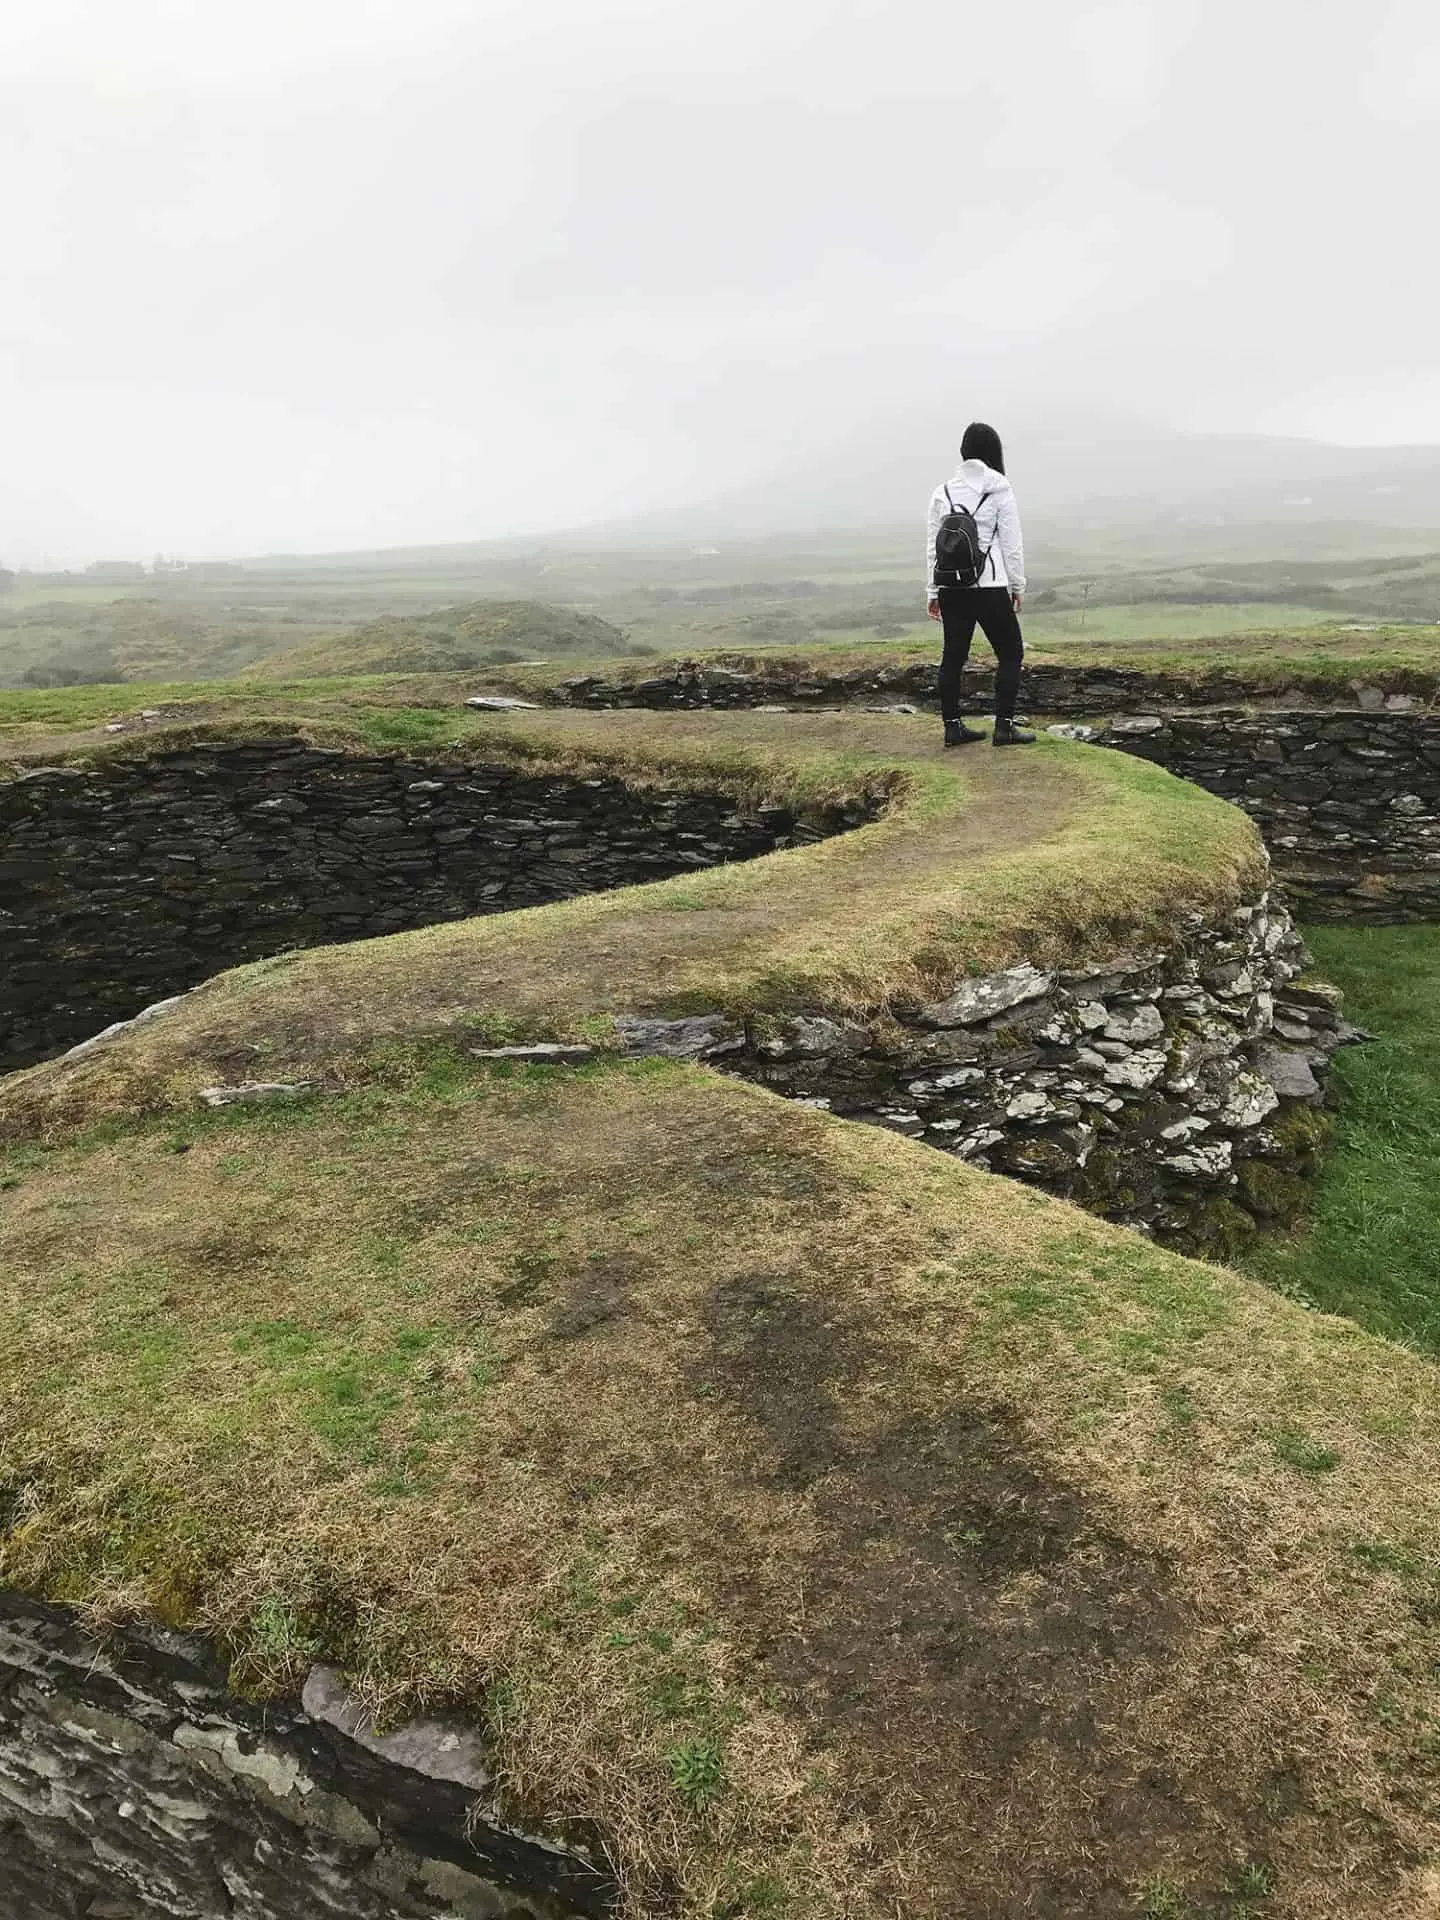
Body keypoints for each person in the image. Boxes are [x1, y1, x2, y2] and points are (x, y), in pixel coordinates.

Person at [925, 422, 1034, 747]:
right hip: (989, 586)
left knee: (953, 657)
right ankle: (1004, 726)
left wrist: (932, 591)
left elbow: (933, 546)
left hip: (951, 588)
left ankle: (953, 727)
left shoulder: (942, 492)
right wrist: (1018, 586)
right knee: (1011, 651)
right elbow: (1012, 545)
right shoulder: (999, 488)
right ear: (993, 451)